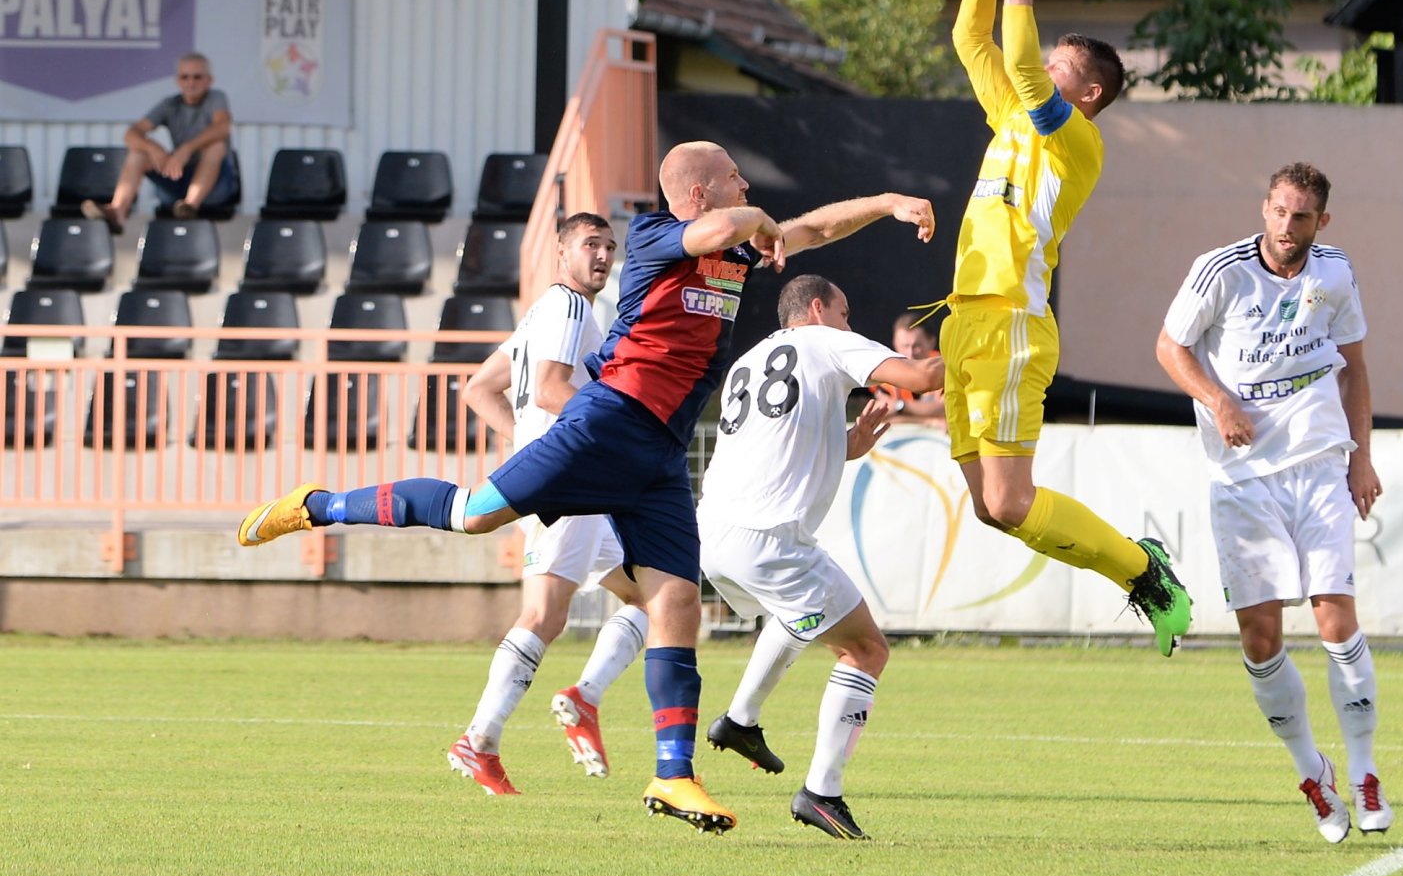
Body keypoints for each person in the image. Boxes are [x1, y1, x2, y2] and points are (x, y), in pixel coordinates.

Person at [237, 140, 936, 834]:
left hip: (658, 449)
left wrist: (884, 203)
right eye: (733, 176)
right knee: (473, 513)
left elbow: (811, 230)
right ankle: (317, 505)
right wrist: (755, 221)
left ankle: (674, 774)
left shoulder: (731, 249)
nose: (746, 182)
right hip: (609, 421)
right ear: (699, 194)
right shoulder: (660, 234)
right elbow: (730, 227)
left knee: (676, 602)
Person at [943, 0, 1191, 654]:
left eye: (1058, 71)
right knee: (992, 508)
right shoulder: (1014, 118)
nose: (1040, 74)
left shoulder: (1075, 140)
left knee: (1011, 501)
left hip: (1015, 318)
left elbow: (1017, 60)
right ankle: (1138, 569)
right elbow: (969, 37)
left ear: (1086, 96)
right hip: (965, 316)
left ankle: (1143, 571)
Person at [1153, 162, 1390, 844]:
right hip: (1242, 476)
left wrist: (1361, 456)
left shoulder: (1335, 273)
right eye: (1280, 213)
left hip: (1319, 463)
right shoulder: (1219, 271)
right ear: (1265, 209)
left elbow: (1356, 367)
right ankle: (1313, 773)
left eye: (1303, 217)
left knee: (1335, 618)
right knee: (1260, 638)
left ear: (1323, 222)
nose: (1288, 228)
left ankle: (1367, 771)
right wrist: (1219, 399)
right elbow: (1170, 347)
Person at [699, 274, 945, 840]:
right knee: (865, 649)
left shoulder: (755, 356)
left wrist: (850, 442)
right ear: (816, 309)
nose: (850, 325)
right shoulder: (824, 340)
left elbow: (788, 440)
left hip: (716, 533)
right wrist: (988, 335)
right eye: (845, 312)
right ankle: (821, 792)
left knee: (797, 616)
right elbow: (923, 377)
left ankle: (740, 721)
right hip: (770, 537)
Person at [445, 211, 655, 796]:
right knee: (544, 615)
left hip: (561, 476)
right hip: (568, 482)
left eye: (610, 247)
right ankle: (480, 738)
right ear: (560, 251)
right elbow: (551, 390)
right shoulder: (569, 308)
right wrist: (615, 431)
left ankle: (583, 699)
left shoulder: (541, 312)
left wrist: (528, 443)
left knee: (651, 595)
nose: (603, 255)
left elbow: (479, 389)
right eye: (591, 244)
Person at [82, 51, 239, 232]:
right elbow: (131, 134)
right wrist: (153, 148)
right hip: (177, 179)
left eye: (197, 77)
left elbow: (223, 127)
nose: (191, 82)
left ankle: (190, 206)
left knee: (216, 146)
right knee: (138, 152)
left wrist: (186, 149)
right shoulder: (170, 104)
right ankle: (117, 211)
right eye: (185, 77)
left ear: (209, 80)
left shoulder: (216, 98)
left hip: (216, 188)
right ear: (177, 81)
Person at [869, 312, 945, 427]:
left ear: (931, 342)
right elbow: (880, 418)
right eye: (905, 346)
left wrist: (899, 406)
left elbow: (947, 409)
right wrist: (929, 421)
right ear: (895, 343)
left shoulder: (944, 368)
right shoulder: (885, 376)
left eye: (917, 346)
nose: (910, 353)